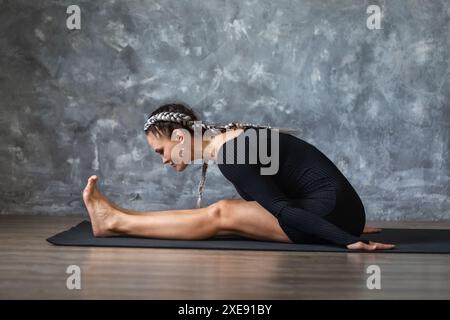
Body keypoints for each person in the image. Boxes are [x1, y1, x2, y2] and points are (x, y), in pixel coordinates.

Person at [82, 103, 394, 251]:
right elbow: (287, 184)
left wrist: (350, 239)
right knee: (229, 213)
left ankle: (114, 222)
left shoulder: (232, 155)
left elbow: (282, 209)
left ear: (179, 137)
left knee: (223, 213)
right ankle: (120, 215)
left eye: (160, 150)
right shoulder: (234, 137)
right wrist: (346, 217)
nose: (163, 159)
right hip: (336, 208)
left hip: (333, 212)